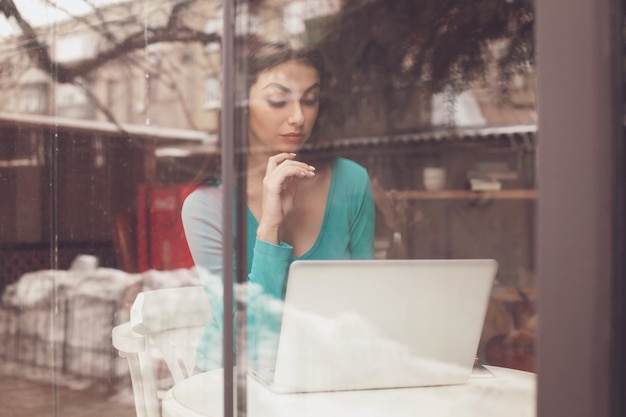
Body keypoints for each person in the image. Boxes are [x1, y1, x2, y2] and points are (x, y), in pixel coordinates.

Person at [182, 45, 375, 371]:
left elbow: (367, 301)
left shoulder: (350, 181)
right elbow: (245, 337)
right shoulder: (206, 207)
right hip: (234, 386)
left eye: (310, 99)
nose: (298, 117)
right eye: (277, 100)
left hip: (326, 376)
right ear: (241, 108)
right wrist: (270, 227)